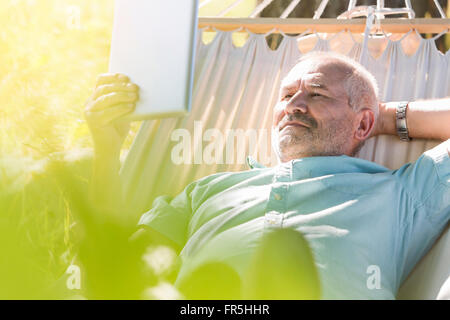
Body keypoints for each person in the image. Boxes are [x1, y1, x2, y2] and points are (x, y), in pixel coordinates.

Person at [84, 51, 450, 299]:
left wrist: (382, 118)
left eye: (317, 94)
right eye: (287, 95)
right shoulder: (208, 190)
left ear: (363, 122)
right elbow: (119, 266)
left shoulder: (400, 193)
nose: (294, 105)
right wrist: (105, 149)